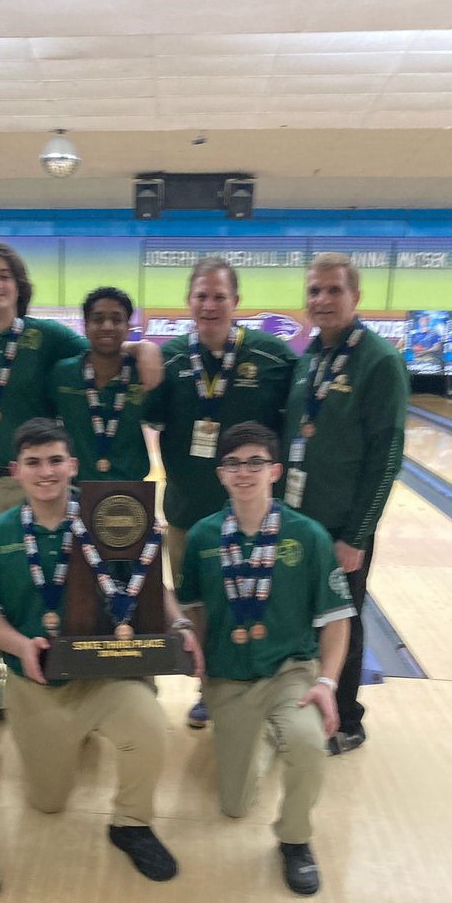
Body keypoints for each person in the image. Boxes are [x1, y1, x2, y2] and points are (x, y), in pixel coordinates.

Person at [0, 242, 162, 722]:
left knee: (67, 572)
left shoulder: (48, 337)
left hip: (41, 479)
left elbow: (105, 349)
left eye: (4, 276)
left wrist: (143, 344)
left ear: (19, 286)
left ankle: (84, 661)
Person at [0, 418, 202, 882]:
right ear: (16, 471)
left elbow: (152, 582)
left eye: (56, 460)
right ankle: (66, 740)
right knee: (49, 803)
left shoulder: (110, 512)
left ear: (73, 465)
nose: (46, 472)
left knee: (153, 731)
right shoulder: (0, 533)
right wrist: (20, 644)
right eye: (33, 463)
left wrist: (178, 623)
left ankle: (131, 824)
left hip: (104, 675)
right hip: (35, 683)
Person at [177, 422, 354, 895]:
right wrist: (186, 645)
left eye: (255, 462)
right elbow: (192, 609)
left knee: (310, 746)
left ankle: (295, 840)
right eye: (234, 463)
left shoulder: (308, 536)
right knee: (234, 805)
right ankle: (269, 739)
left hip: (288, 673)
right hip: (228, 678)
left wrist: (328, 684)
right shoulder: (203, 537)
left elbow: (338, 620)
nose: (245, 472)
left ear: (275, 470)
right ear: (220, 474)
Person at [143, 257, 297, 728]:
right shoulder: (169, 359)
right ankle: (207, 687)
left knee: (251, 600)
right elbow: (143, 411)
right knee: (195, 605)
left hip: (253, 513)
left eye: (219, 296)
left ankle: (260, 686)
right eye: (201, 296)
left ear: (236, 302)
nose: (210, 305)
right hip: (188, 511)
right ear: (189, 302)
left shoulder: (274, 357)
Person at [282, 252, 408, 754]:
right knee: (300, 620)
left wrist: (356, 535)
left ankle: (348, 720)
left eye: (334, 290)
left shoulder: (379, 361)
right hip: (296, 522)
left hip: (340, 529)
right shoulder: (307, 359)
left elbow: (387, 457)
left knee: (343, 621)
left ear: (356, 297)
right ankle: (301, 707)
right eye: (315, 290)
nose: (322, 300)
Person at [46, 286, 151, 482]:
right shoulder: (62, 374)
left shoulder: (143, 375)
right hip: (74, 490)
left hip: (131, 491)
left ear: (128, 328)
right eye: (98, 319)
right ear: (85, 327)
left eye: (117, 319)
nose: (107, 326)